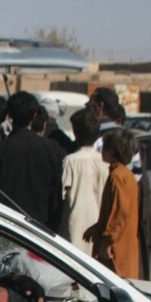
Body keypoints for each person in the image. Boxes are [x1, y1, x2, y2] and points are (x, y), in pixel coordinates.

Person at [0, 92, 66, 232]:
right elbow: (56, 199)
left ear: (9, 116)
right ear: (34, 116)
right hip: (42, 231)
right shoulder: (54, 151)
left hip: (6, 230)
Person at [86, 129, 141, 279]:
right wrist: (97, 228)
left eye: (105, 147)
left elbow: (120, 213)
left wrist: (108, 241)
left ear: (113, 151)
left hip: (117, 249)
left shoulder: (118, 176)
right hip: (119, 243)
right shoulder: (124, 175)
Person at [59, 109, 108, 255]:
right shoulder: (105, 162)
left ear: (76, 133)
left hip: (75, 233)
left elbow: (62, 195)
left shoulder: (70, 161)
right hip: (99, 230)